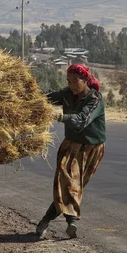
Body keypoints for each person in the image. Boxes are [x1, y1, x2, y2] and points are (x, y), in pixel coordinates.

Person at [36, 63, 106, 239]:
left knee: (71, 187)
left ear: (85, 80)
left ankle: (45, 221)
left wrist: (59, 116)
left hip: (91, 148)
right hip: (72, 145)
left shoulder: (95, 99)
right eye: (68, 81)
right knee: (69, 185)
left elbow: (82, 120)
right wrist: (30, 92)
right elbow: (46, 96)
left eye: (75, 81)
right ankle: (71, 222)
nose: (71, 85)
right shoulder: (66, 94)